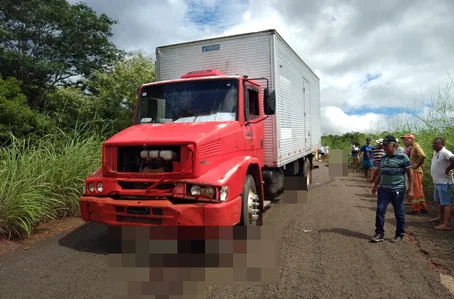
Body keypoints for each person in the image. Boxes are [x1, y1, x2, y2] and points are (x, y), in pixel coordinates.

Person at [371, 135, 413, 243]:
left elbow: (410, 174)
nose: (384, 147)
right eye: (383, 145)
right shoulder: (383, 157)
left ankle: (399, 234)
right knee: (380, 211)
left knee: (399, 213)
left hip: (397, 190)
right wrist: (375, 186)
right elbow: (381, 173)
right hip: (383, 189)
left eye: (386, 145)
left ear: (393, 145)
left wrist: (411, 190)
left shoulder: (403, 157)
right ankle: (379, 233)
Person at [429, 137, 454, 230]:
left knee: (446, 203)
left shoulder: (445, 152)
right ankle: (440, 218)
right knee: (439, 201)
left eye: (436, 143)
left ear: (442, 144)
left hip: (444, 182)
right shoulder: (436, 152)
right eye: (433, 143)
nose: (433, 145)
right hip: (437, 181)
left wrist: (447, 169)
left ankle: (447, 224)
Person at [401, 133, 428, 214]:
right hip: (416, 171)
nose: (404, 141)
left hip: (416, 171)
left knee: (416, 190)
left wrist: (417, 165)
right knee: (419, 190)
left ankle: (415, 209)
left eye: (406, 139)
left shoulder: (416, 146)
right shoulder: (412, 147)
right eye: (404, 140)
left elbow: (422, 156)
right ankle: (423, 207)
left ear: (412, 139)